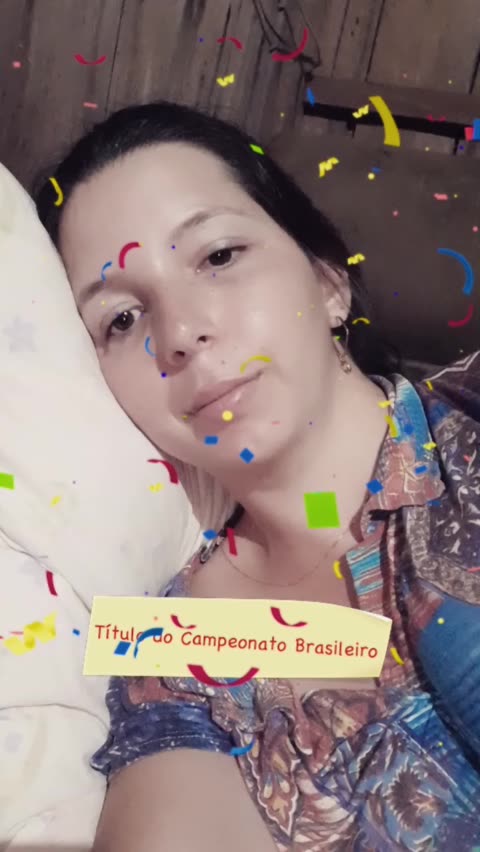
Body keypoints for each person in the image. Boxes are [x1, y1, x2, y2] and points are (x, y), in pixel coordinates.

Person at [33, 100, 480, 852]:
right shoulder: (170, 649)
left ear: (328, 280)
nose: (181, 333)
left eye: (217, 257)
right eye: (121, 319)